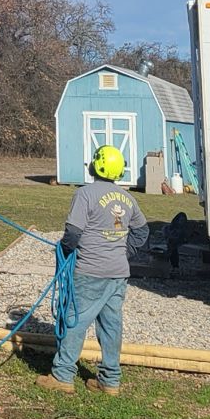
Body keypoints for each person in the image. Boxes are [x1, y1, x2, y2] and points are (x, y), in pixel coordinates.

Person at [39, 144, 148, 396]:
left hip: (90, 271)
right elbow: (142, 231)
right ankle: (110, 381)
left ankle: (62, 375)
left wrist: (65, 250)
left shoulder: (85, 194)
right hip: (119, 274)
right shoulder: (128, 198)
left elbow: (73, 233)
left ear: (95, 165)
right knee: (111, 325)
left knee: (75, 321)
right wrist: (124, 252)